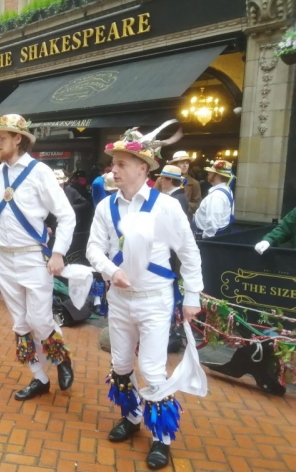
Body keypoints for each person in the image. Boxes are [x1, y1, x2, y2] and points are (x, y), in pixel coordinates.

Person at [86, 124, 202, 470]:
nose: (114, 170)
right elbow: (93, 248)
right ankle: (132, 416)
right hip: (119, 299)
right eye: (113, 164)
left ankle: (161, 439)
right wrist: (110, 270)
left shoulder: (166, 206)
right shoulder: (106, 207)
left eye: (121, 164)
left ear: (143, 167)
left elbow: (189, 251)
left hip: (155, 298)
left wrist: (192, 294)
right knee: (121, 365)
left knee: (152, 369)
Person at [0, 114, 75, 401]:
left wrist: (58, 252)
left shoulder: (40, 171)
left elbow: (66, 215)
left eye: (1, 137)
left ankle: (61, 359)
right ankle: (39, 377)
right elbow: (0, 213)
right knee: (20, 322)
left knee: (40, 319)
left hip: (32, 257)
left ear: (18, 139)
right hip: (3, 259)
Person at [193, 160, 235, 239]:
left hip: (208, 238)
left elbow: (213, 223)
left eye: (211, 172)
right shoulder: (227, 190)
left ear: (218, 175)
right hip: (218, 235)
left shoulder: (216, 196)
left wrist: (205, 238)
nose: (208, 173)